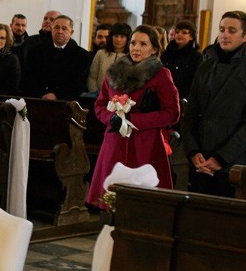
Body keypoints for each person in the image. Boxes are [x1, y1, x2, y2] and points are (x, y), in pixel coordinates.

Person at [86, 25, 181, 208]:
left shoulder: (161, 74)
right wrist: (111, 118)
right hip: (115, 141)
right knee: (111, 199)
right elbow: (99, 104)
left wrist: (133, 121)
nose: (136, 48)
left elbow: (172, 113)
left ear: (154, 49)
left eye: (143, 44)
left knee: (143, 203)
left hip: (146, 144)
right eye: (133, 43)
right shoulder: (114, 71)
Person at [182, 11, 246, 197]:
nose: (224, 35)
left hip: (232, 161)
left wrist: (221, 158)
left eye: (232, 31)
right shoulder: (205, 67)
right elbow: (190, 114)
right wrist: (193, 151)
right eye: (222, 29)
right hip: (200, 159)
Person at [22, 15, 91, 100]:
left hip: (65, 102)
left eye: (64, 28)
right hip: (38, 99)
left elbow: (79, 84)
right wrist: (41, 95)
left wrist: (57, 95)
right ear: (51, 30)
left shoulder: (82, 55)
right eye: (56, 28)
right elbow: (29, 78)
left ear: (71, 32)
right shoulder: (35, 51)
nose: (60, 31)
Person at [160, 19, 202, 99]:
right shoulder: (167, 53)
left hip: (185, 96)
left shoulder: (197, 56)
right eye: (177, 32)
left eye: (184, 33)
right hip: (165, 94)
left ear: (191, 37)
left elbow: (197, 81)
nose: (179, 35)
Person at [87, 22, 130, 93]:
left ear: (127, 38)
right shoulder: (101, 53)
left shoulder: (131, 56)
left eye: (122, 37)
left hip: (122, 96)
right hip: (98, 94)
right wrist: (96, 92)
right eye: (116, 36)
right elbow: (92, 77)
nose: (118, 39)